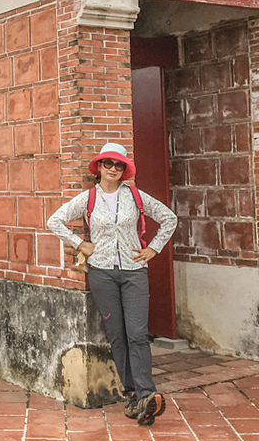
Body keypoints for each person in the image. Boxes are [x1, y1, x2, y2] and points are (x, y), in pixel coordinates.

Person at [47, 142, 178, 426]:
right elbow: (54, 221)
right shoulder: (88, 198)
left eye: (119, 165)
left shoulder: (135, 196)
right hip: (102, 274)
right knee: (117, 336)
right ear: (100, 167)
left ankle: (147, 394)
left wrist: (153, 249)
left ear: (124, 169)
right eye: (109, 164)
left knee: (138, 334)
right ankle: (132, 395)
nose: (114, 169)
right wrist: (80, 243)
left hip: (133, 272)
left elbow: (169, 218)